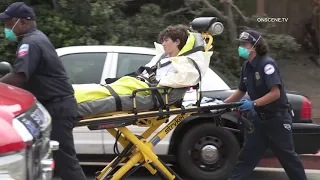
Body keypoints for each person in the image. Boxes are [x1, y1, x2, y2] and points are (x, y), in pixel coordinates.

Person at [0, 2, 87, 180]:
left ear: (23, 22)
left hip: (58, 107)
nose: (6, 27)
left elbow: (19, 77)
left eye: (9, 23)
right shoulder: (35, 38)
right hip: (53, 106)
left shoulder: (31, 43)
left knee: (65, 163)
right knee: (49, 162)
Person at [73, 24, 212, 118]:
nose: (163, 44)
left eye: (166, 40)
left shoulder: (185, 65)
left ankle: (71, 100)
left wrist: (151, 82)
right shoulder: (162, 58)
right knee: (102, 90)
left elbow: (176, 81)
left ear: (177, 42)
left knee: (103, 93)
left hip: (144, 90)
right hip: (135, 84)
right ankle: (71, 95)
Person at [224, 30, 307, 180]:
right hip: (259, 121)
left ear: (254, 46)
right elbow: (241, 91)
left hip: (277, 121)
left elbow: (275, 93)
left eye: (244, 44)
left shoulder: (267, 65)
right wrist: (222, 104)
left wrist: (253, 104)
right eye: (240, 44)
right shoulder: (246, 67)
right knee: (246, 159)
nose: (241, 47)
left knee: (289, 160)